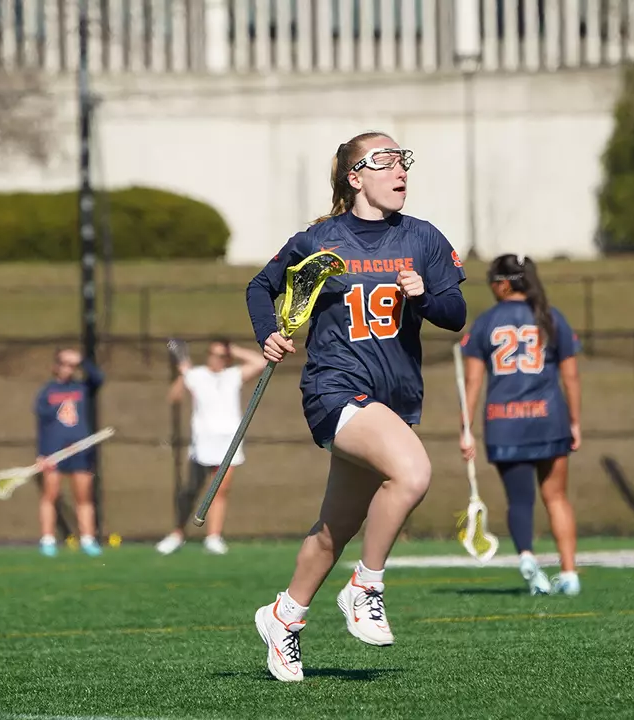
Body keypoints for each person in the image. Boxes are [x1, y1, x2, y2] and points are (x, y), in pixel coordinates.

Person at [245, 131, 467, 682]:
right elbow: (260, 287)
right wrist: (267, 332)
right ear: (355, 177)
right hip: (334, 388)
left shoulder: (423, 237)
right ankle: (366, 586)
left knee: (334, 529)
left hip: (393, 400)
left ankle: (284, 616)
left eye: (402, 160)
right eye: (384, 162)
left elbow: (455, 314)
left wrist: (423, 295)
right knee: (412, 473)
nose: (400, 171)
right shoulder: (320, 240)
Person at [458, 254, 582, 596]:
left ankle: (527, 556)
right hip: (549, 419)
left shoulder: (485, 322)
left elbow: (472, 383)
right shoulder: (550, 316)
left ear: (502, 284)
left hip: (504, 423)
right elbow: (571, 377)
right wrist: (574, 421)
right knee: (556, 497)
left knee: (520, 500)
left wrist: (465, 428)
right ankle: (569, 573)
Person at [157, 338, 267, 555]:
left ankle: (213, 537)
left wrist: (233, 349)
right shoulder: (197, 375)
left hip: (228, 442)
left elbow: (261, 362)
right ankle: (177, 534)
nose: (216, 359)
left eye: (221, 355)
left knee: (220, 491)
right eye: (213, 354)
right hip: (202, 443)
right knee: (190, 491)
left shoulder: (233, 375)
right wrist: (183, 374)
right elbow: (174, 397)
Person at [33, 347, 105, 558]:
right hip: (54, 452)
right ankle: (47, 540)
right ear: (56, 366)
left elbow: (99, 378)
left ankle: (88, 540)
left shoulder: (83, 387)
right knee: (50, 495)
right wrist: (42, 454)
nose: (68, 369)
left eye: (72, 366)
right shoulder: (47, 392)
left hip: (80, 451)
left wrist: (83, 361)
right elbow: (42, 425)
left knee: (83, 497)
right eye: (64, 364)